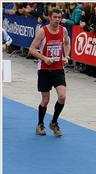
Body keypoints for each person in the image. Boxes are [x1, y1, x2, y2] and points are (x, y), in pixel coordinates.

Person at [29, 7, 70, 137]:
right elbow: (32, 49)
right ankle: (40, 123)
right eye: (55, 17)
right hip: (44, 70)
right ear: (49, 17)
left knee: (62, 97)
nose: (57, 20)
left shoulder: (63, 30)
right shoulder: (43, 32)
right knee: (45, 100)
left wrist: (67, 56)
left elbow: (67, 43)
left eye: (59, 17)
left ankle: (54, 122)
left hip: (58, 69)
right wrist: (44, 58)